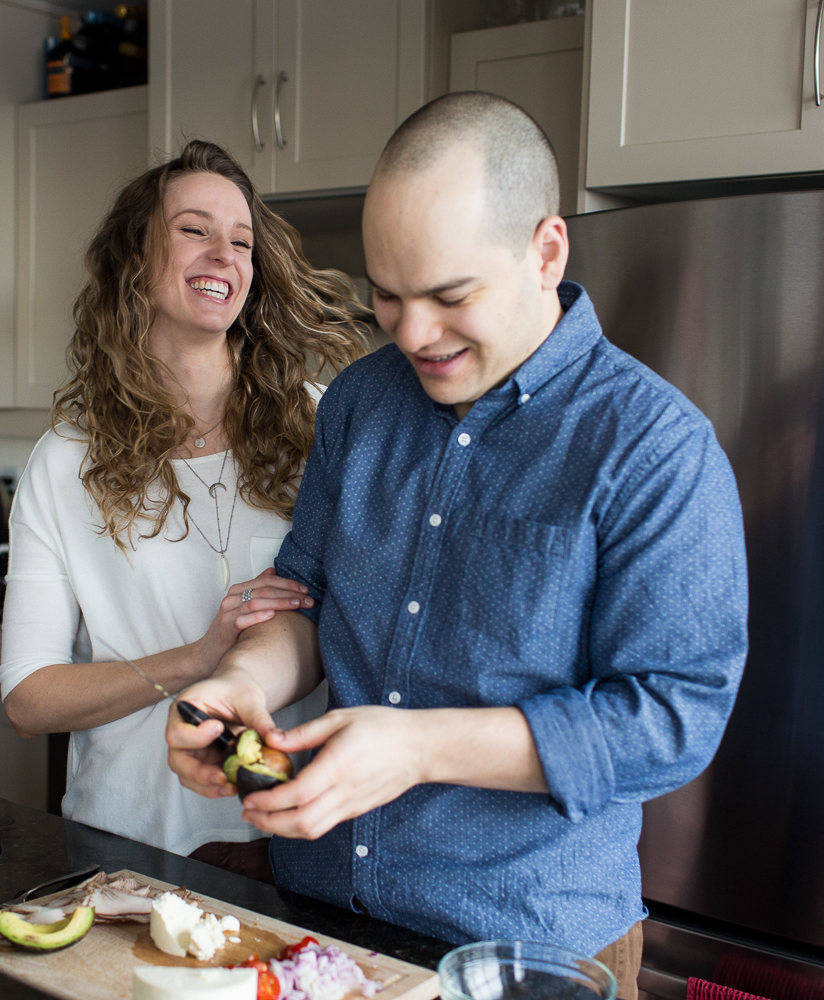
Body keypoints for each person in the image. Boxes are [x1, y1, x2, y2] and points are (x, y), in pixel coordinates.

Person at [166, 93, 748, 993]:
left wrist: (420, 747)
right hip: (322, 919)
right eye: (387, 297)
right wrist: (240, 685)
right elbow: (307, 597)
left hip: (531, 951)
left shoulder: (653, 445)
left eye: (449, 296)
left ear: (545, 251)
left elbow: (674, 721)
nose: (413, 334)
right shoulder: (361, 403)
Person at [0, 140, 370, 879]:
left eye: (242, 241)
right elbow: (29, 698)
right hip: (134, 840)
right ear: (134, 259)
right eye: (194, 229)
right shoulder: (66, 461)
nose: (224, 254)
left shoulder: (324, 427)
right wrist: (197, 660)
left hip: (303, 837)